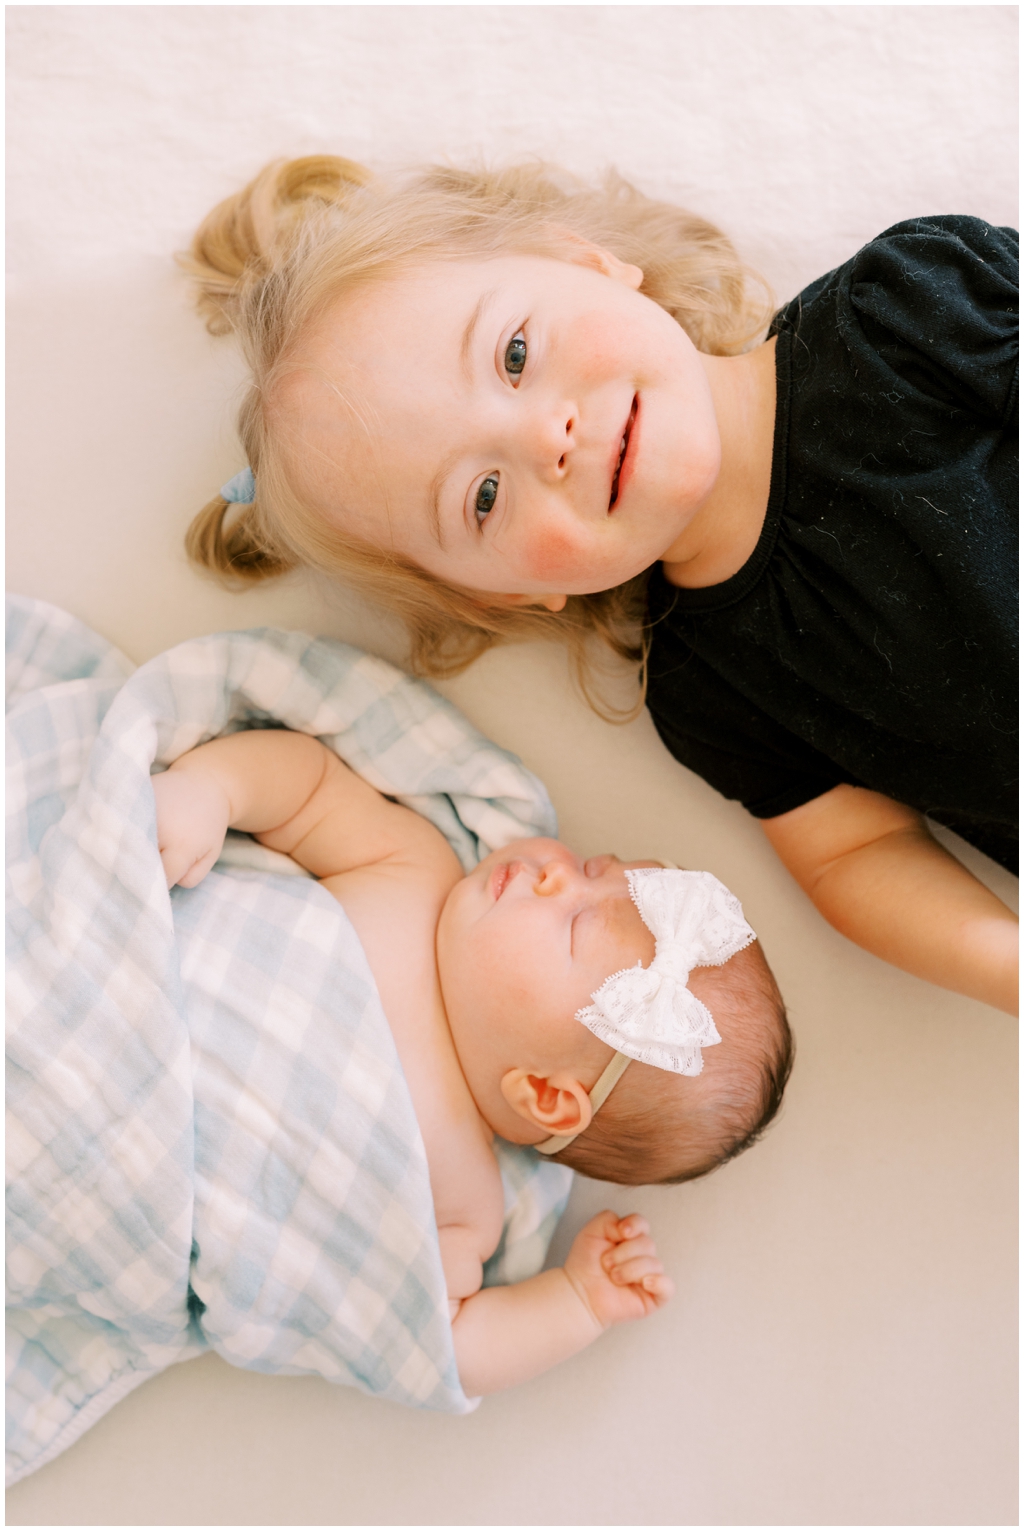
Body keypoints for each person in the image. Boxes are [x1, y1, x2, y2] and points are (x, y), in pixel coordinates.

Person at [181, 156, 1018, 1016]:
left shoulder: (904, 312)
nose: (548, 434)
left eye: (514, 354)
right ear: (507, 592)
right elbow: (857, 852)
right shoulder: (710, 688)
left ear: (588, 262)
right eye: (484, 496)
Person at [153, 726, 792, 1395]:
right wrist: (215, 789)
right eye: (594, 867)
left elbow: (445, 1348)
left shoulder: (465, 1201)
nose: (557, 872)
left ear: (545, 1095)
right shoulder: (412, 871)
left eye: (576, 923)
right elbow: (308, 788)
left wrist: (576, 1300)